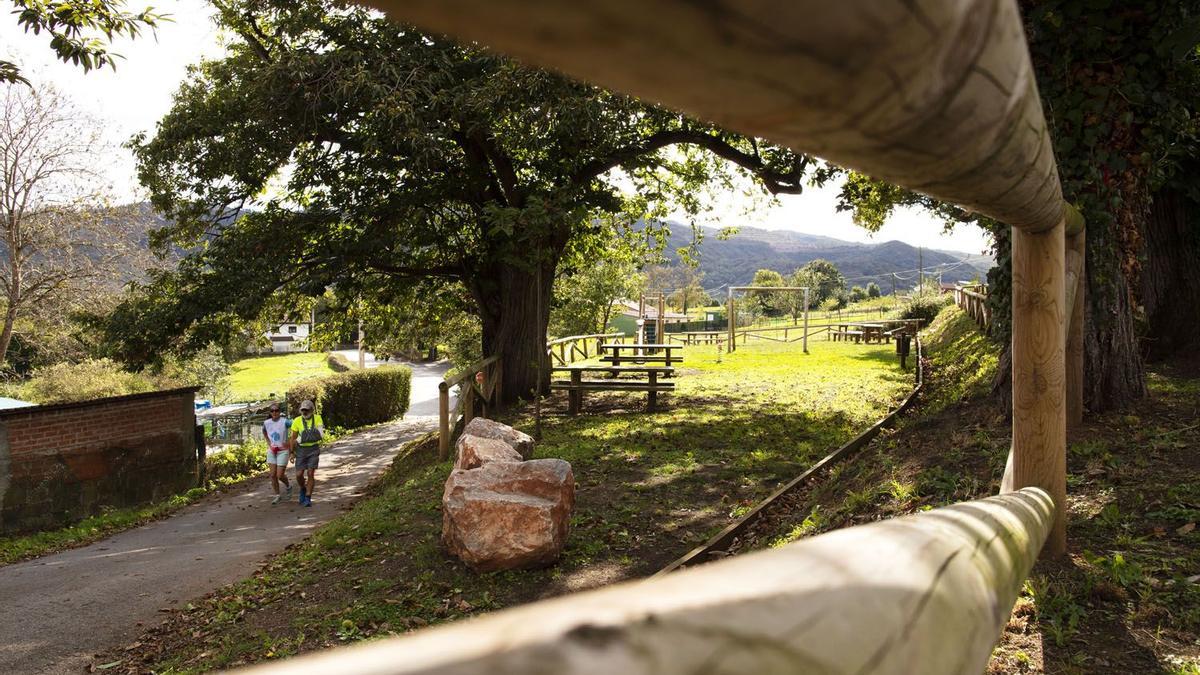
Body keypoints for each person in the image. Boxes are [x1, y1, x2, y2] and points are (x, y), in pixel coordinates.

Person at [288, 399, 325, 507]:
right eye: (303, 410)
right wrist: (292, 452)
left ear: (312, 410)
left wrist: (306, 436)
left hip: (313, 449)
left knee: (310, 473)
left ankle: (308, 497)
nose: (305, 412)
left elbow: (320, 435)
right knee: (299, 475)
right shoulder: (297, 421)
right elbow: (293, 438)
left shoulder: (317, 419)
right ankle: (303, 488)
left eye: (307, 410)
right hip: (301, 450)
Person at [262, 404, 293, 504]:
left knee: (279, 475)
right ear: (270, 412)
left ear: (279, 411)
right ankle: (277, 495)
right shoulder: (266, 423)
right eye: (272, 411)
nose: (274, 412)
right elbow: (264, 432)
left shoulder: (285, 421)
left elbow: (296, 429)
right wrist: (269, 444)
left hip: (283, 450)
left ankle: (288, 486)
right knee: (272, 475)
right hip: (272, 451)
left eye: (276, 410)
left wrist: (290, 442)